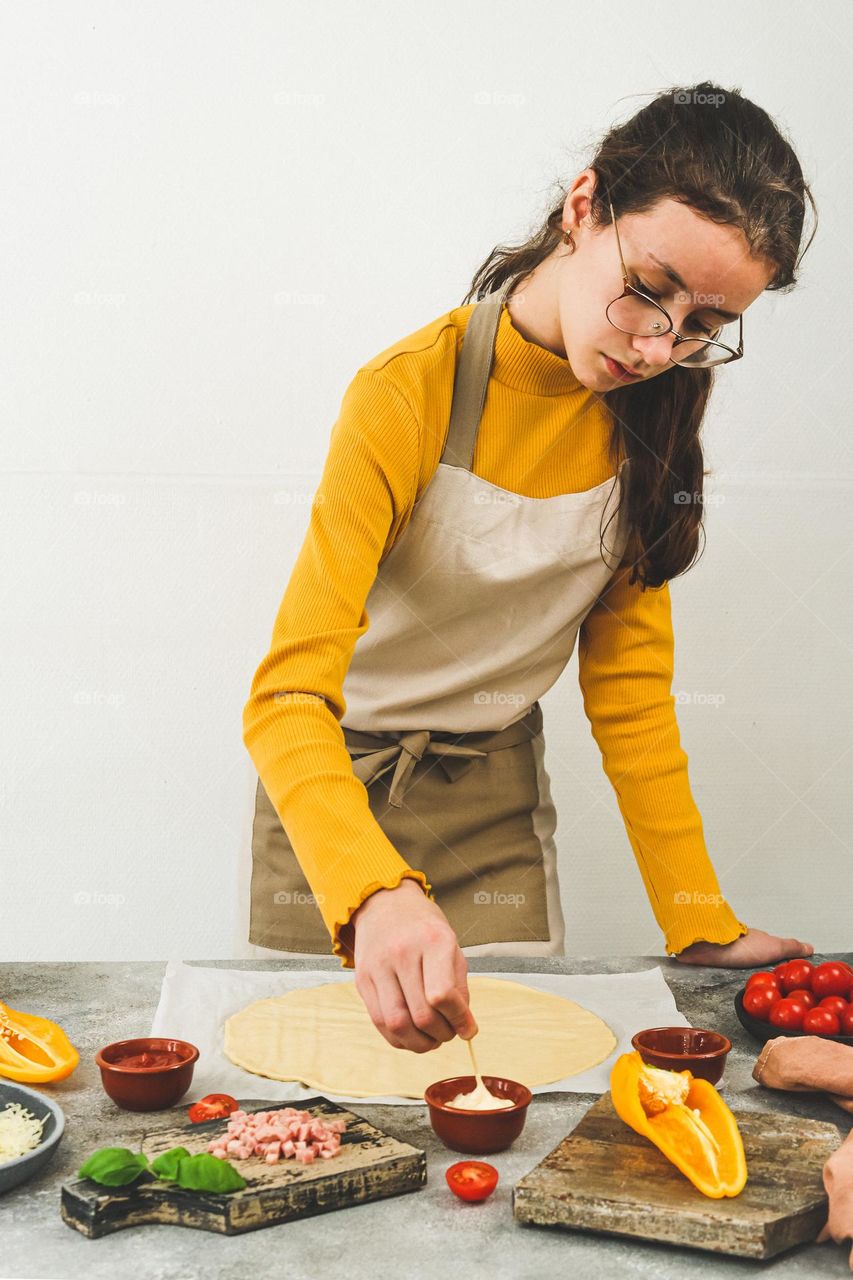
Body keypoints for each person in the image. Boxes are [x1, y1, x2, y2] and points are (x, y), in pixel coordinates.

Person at [242, 80, 817, 1055]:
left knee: (506, 1089)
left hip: (493, 801)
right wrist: (371, 892)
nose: (657, 343)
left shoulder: (656, 421)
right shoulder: (405, 394)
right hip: (329, 802)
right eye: (648, 287)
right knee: (316, 1097)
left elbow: (631, 699)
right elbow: (286, 698)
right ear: (583, 207)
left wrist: (695, 916)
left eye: (701, 325)